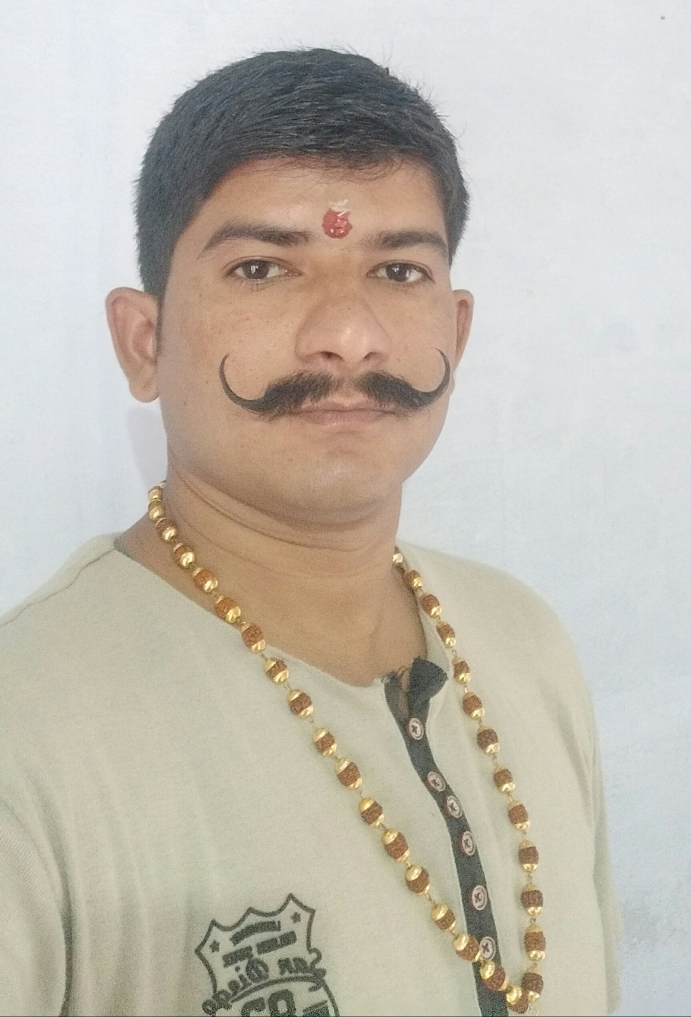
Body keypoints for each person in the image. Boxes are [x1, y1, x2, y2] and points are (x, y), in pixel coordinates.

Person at [0, 49, 620, 1017]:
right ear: (143, 341)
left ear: (456, 330)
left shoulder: (521, 639)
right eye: (262, 267)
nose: (348, 333)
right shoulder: (27, 727)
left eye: (397, 270)